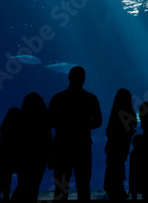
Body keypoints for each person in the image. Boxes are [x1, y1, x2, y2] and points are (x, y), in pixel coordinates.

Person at [48, 66, 102, 202]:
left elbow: (49, 121)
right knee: (83, 185)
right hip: (82, 146)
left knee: (60, 187)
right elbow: (98, 122)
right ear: (84, 79)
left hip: (62, 146)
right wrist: (83, 126)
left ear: (69, 77)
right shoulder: (90, 98)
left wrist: (64, 125)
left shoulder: (58, 98)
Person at [12, 92, 52, 202]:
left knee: (23, 185)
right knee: (33, 186)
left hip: (23, 157)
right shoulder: (43, 121)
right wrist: (50, 156)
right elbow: (48, 139)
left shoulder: (20, 119)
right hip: (40, 158)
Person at [104, 88, 137, 201]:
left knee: (113, 167)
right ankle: (118, 190)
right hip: (122, 145)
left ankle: (113, 189)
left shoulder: (115, 112)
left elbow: (109, 131)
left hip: (113, 145)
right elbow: (132, 126)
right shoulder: (129, 111)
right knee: (118, 167)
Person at [0, 107, 21, 201]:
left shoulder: (4, 126)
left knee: (0, 177)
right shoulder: (16, 127)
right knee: (7, 178)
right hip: (9, 155)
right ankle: (6, 196)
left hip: (1, 154)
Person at [129, 134, 147, 201]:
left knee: (134, 192)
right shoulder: (145, 154)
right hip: (143, 177)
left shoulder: (132, 153)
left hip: (134, 177)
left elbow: (131, 169)